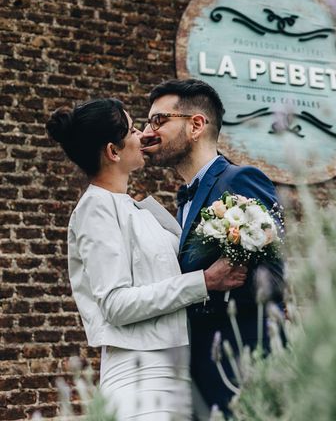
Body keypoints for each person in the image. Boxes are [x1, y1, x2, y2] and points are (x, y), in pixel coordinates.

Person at [46, 98, 247, 420]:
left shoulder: (134, 209)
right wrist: (204, 281)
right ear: (113, 151)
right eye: (134, 128)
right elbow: (115, 303)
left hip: (178, 372)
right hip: (141, 378)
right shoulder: (96, 209)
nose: (143, 134)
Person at [141, 78, 285, 416]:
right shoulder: (184, 200)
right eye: (148, 122)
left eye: (159, 120)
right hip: (199, 373)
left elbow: (275, 278)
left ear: (196, 125)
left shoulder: (240, 180)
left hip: (244, 368)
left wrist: (211, 285)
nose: (149, 131)